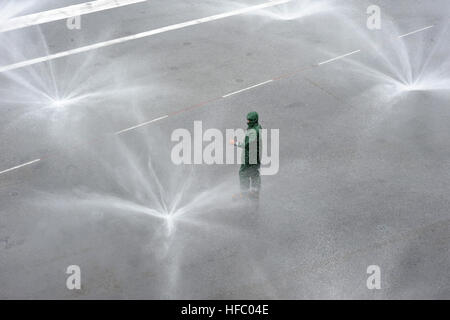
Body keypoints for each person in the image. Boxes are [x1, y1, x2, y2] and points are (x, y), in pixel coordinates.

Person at [230, 111, 262, 200]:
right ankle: (255, 191)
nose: (247, 122)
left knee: (243, 174)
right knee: (254, 173)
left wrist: (234, 143)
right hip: (256, 156)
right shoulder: (257, 127)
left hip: (249, 157)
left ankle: (244, 193)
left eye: (249, 120)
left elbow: (247, 145)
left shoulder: (253, 132)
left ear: (253, 120)